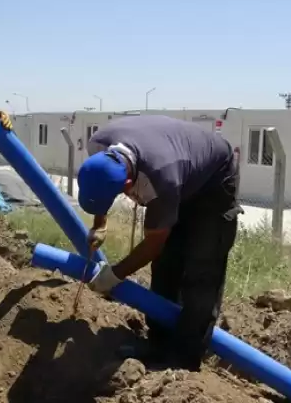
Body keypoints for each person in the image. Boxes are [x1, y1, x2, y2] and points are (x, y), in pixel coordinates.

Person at [77, 115, 242, 372]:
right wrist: (100, 223)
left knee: (201, 271)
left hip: (212, 183)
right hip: (180, 167)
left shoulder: (160, 178)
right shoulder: (98, 146)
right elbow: (102, 186)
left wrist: (114, 276)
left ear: (129, 184)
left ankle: (184, 360)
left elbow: (153, 244)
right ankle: (157, 344)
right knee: (165, 266)